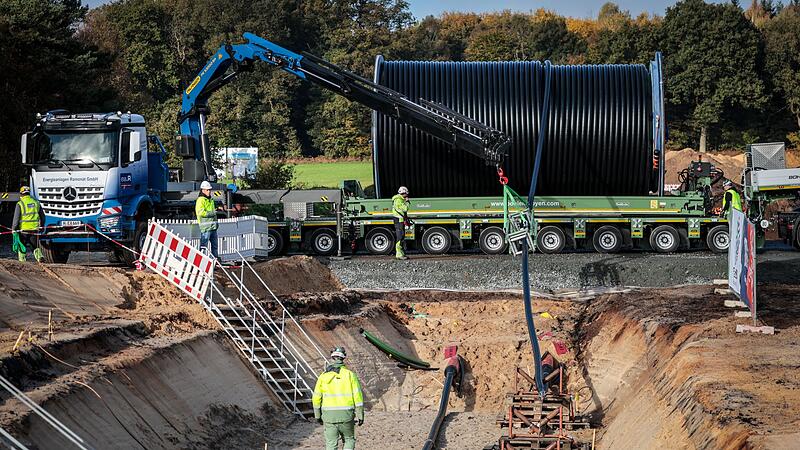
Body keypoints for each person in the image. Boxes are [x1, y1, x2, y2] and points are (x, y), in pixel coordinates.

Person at [312, 347, 364, 450]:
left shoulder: (323, 376)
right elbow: (358, 398)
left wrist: (317, 416)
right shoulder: (350, 375)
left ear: (332, 358)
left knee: (331, 444)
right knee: (349, 439)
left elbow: (316, 398)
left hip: (328, 416)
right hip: (346, 416)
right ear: (343, 358)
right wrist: (360, 415)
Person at [12, 186, 43, 263]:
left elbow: (16, 219)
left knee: (21, 247)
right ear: (29, 193)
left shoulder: (20, 204)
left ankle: (22, 262)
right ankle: (40, 258)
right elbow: (43, 216)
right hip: (34, 229)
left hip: (23, 230)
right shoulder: (36, 203)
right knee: (35, 246)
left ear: (21, 194)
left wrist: (14, 229)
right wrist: (41, 226)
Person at [195, 181, 219, 259]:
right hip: (206, 228)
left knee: (214, 246)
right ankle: (200, 261)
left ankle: (215, 261)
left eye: (209, 190)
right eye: (207, 190)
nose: (209, 191)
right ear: (203, 190)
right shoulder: (201, 200)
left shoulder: (210, 199)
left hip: (212, 227)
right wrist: (212, 213)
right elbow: (201, 212)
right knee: (203, 246)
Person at [391, 186, 410, 260]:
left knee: (401, 236)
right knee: (400, 237)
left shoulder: (399, 199)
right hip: (399, 220)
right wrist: (407, 202)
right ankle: (399, 254)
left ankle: (401, 253)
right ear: (403, 193)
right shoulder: (399, 200)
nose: (407, 195)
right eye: (406, 194)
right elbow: (405, 208)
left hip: (400, 220)